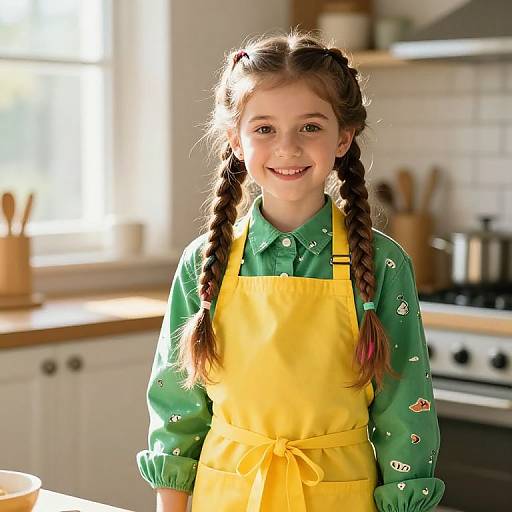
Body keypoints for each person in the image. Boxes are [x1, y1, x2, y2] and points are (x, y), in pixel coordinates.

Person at [136, 29, 445, 512]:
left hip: (341, 495)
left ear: (343, 137)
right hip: (229, 495)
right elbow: (177, 406)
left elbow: (405, 411)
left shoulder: (384, 264)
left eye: (310, 127)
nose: (288, 148)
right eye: (264, 129)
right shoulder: (203, 262)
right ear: (235, 142)